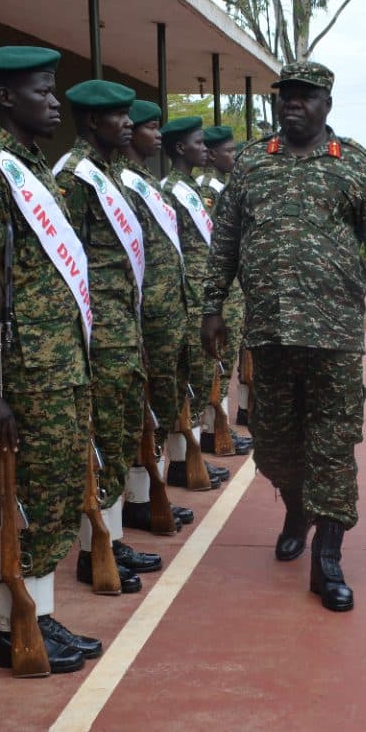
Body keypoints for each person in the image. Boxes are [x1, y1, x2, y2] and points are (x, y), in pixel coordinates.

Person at [201, 61, 366, 612]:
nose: (293, 103)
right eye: (286, 95)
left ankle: (329, 555)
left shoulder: (354, 165)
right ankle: (296, 505)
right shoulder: (250, 163)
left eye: (305, 96)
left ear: (327, 104)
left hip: (335, 335)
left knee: (334, 443)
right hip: (269, 331)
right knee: (272, 441)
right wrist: (212, 307)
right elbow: (224, 240)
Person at [0, 45, 101, 677]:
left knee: (59, 492)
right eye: (41, 91)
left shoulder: (35, 169)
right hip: (26, 373)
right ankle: (7, 625)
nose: (53, 102)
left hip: (62, 365)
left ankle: (38, 613)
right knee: (22, 500)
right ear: (7, 97)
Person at [55, 80, 160, 595]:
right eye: (117, 116)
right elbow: (66, 262)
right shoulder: (74, 180)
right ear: (93, 122)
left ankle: (112, 537)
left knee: (116, 439)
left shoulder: (110, 176)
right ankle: (90, 548)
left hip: (125, 327)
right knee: (97, 443)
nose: (128, 122)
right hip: (98, 336)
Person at [117, 99, 195, 534]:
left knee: (159, 411)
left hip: (167, 317)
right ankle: (138, 502)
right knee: (137, 421)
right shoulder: (119, 183)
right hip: (143, 322)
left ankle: (149, 495)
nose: (156, 134)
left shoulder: (147, 183)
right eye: (150, 126)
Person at [159, 116, 231, 492]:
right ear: (180, 148)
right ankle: (179, 463)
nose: (205, 149)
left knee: (201, 380)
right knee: (184, 385)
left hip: (202, 295)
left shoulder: (189, 187)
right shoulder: (172, 189)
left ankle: (192, 455)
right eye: (199, 143)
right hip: (187, 300)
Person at [198, 125, 253, 454]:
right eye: (229, 151)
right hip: (219, 289)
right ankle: (211, 431)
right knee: (216, 364)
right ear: (212, 154)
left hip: (233, 288)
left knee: (227, 362)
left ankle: (222, 427)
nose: (233, 156)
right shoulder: (207, 190)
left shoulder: (225, 187)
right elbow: (210, 245)